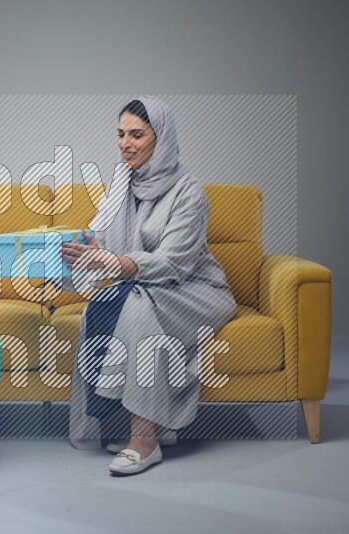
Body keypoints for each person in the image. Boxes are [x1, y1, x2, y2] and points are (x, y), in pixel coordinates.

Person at [61, 96, 236, 475]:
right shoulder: (123, 184)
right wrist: (94, 250)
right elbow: (110, 244)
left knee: (135, 303)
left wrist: (117, 262)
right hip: (148, 285)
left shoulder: (188, 191)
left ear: (162, 138)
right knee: (107, 302)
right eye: (121, 134)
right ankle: (127, 423)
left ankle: (144, 438)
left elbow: (175, 262)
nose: (125, 143)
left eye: (137, 134)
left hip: (195, 289)